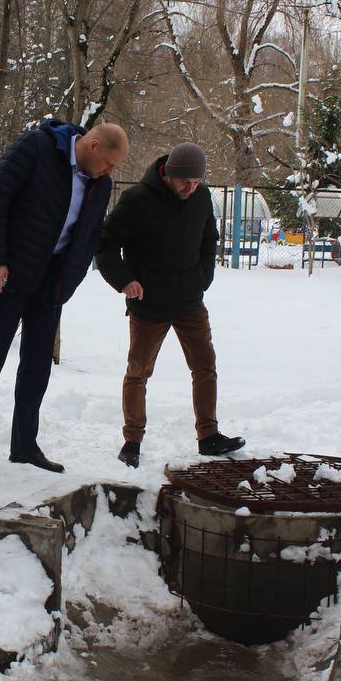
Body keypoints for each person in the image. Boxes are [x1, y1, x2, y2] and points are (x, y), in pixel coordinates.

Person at [0, 120, 129, 475]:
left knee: (36, 366)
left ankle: (24, 446)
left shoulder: (101, 183)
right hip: (10, 273)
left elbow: (90, 234)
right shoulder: (37, 147)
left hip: (52, 282)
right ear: (93, 146)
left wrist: (70, 281)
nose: (111, 172)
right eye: (110, 163)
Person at [96, 142, 245, 468]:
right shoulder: (136, 200)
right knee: (138, 373)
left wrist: (203, 276)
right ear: (169, 175)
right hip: (148, 305)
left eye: (196, 182)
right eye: (185, 182)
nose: (191, 189)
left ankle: (208, 436)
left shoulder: (201, 197)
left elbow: (209, 238)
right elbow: (105, 245)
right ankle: (132, 441)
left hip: (190, 301)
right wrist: (124, 280)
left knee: (205, 366)